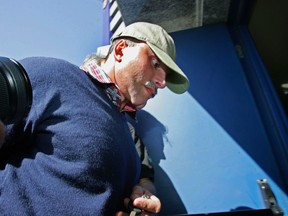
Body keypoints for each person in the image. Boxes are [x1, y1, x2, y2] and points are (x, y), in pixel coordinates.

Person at [0, 22, 189, 215]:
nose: (162, 83)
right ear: (121, 51)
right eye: (155, 64)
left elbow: (143, 183)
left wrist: (141, 200)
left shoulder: (131, 138)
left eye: (165, 75)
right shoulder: (51, 76)